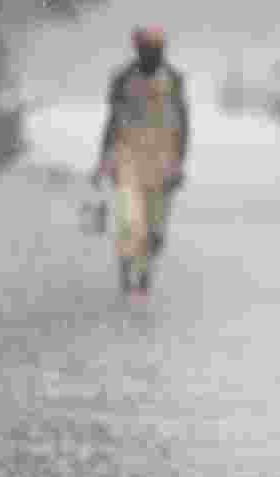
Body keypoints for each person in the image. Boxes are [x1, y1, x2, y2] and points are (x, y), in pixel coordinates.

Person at [95, 25, 190, 297]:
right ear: (138, 51)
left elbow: (183, 123)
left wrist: (179, 161)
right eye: (147, 50)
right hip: (128, 158)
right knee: (129, 219)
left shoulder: (173, 79)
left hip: (163, 161)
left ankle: (144, 269)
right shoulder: (123, 78)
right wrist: (104, 159)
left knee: (154, 228)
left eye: (157, 50)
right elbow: (112, 121)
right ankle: (128, 272)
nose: (153, 55)